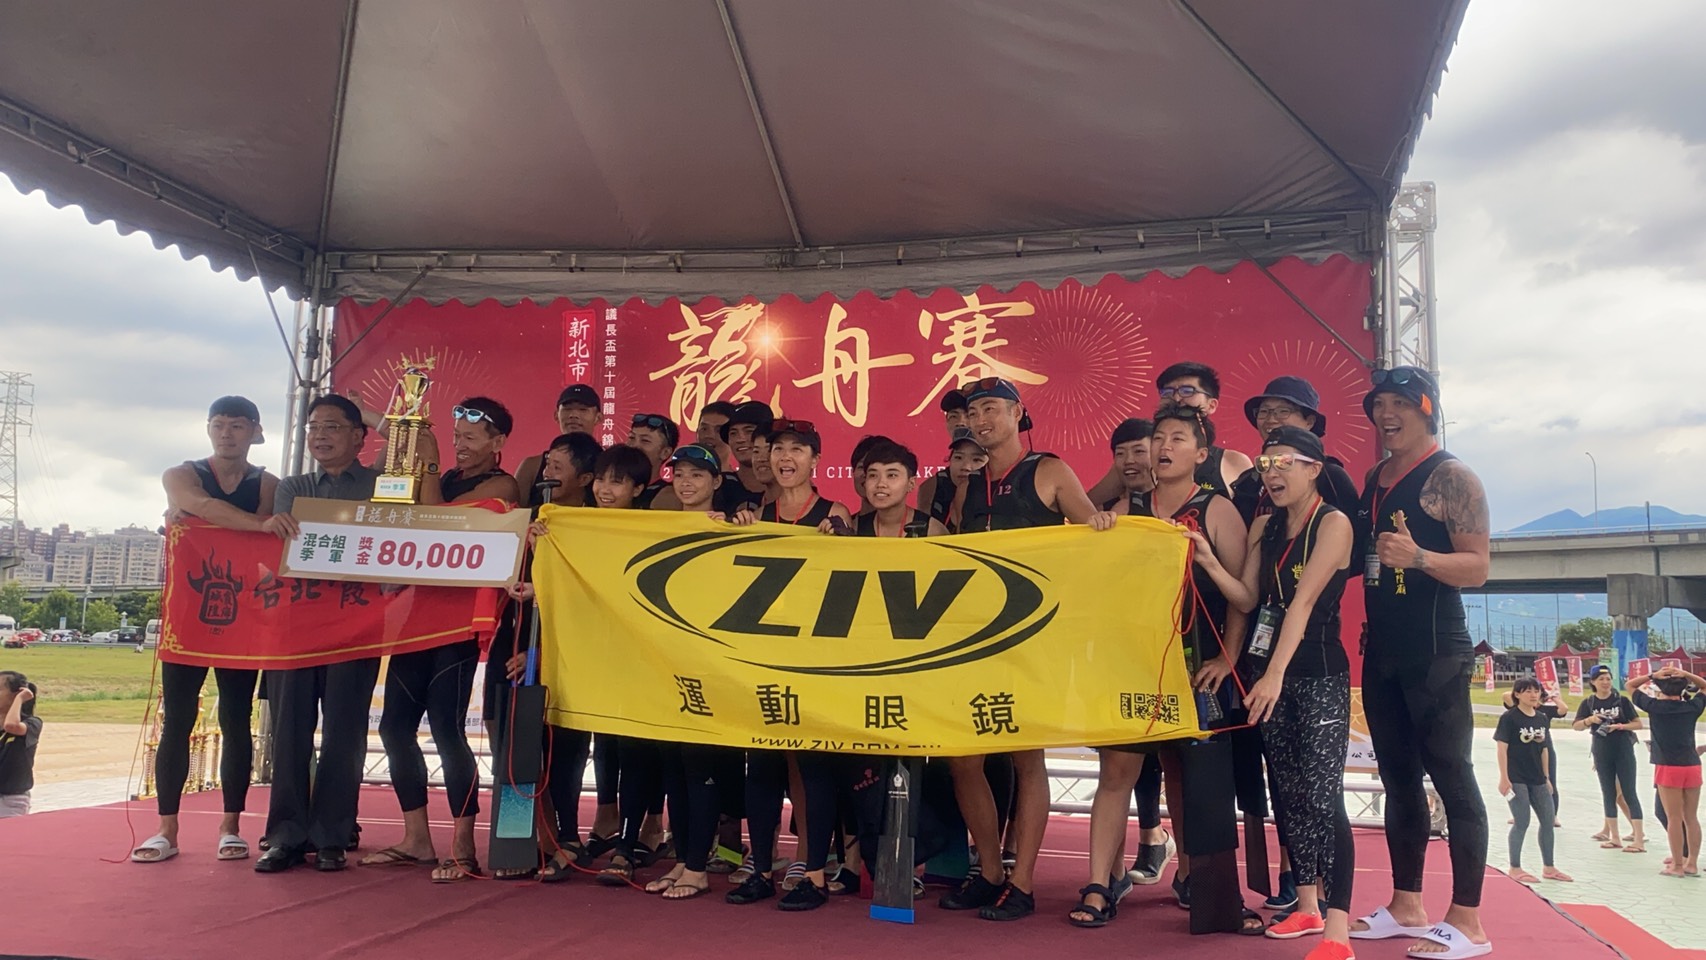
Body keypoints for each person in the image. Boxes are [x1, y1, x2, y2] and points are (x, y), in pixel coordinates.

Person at [946, 377, 1117, 922]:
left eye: (991, 409)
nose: (981, 420)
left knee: (1027, 757)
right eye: (974, 412)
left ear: (1018, 413)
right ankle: (990, 871)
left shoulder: (1049, 470)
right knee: (962, 758)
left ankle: (1022, 883)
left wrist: (1102, 526)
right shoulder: (967, 485)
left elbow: (1093, 536)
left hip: (1032, 638)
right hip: (974, 640)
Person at [1185, 425, 1357, 955]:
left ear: (1313, 469)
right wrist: (1208, 560)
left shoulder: (1333, 523)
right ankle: (1306, 906)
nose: (1271, 473)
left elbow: (1301, 604)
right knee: (1290, 794)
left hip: (1317, 673)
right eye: (1265, 464)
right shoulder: (1264, 525)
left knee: (1323, 797)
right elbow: (1247, 598)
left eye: (1284, 463)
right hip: (1268, 675)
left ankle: (1337, 929)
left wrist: (1275, 674)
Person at [1349, 366, 1493, 958]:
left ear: (1427, 409)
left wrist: (1420, 557)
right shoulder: (1376, 477)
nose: (1387, 415)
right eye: (1379, 404)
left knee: (1453, 775)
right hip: (1383, 650)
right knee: (1397, 777)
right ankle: (1406, 903)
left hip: (1437, 653)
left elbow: (1478, 567)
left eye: (1400, 404)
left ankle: (1468, 921)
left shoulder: (1453, 476)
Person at [1111, 403, 1257, 932]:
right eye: (1159, 438)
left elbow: (1243, 595)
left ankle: (1203, 876)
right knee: (1161, 765)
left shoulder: (1216, 508)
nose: (1165, 447)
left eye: (1178, 438)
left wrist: (1227, 657)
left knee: (1201, 772)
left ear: (1201, 453)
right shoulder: (1128, 507)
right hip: (1143, 660)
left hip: (1201, 661)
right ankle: (1127, 877)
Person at [362, 397, 518, 883]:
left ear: (497, 442)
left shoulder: (502, 486)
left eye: (470, 438)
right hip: (416, 619)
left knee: (448, 731)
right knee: (394, 729)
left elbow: (435, 523)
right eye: (455, 438)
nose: (460, 446)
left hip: (457, 625)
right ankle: (416, 838)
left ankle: (463, 845)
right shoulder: (444, 478)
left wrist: (428, 460)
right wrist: (373, 420)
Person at [134, 396, 277, 863]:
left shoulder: (268, 485)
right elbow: (201, 505)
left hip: (241, 616)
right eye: (218, 425)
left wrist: (256, 527)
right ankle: (166, 829)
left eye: (236, 426)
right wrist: (257, 525)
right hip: (189, 615)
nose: (226, 434)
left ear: (255, 432)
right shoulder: (182, 475)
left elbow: (266, 543)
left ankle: (230, 826)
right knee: (177, 720)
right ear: (208, 429)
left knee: (236, 720)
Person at [726, 419, 853, 908]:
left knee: (813, 764)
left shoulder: (833, 513)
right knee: (761, 762)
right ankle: (761, 867)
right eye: (778, 449)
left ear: (815, 460)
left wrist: (839, 540)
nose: (785, 458)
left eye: (797, 450)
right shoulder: (756, 514)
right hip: (763, 658)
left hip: (815, 660)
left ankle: (814, 873)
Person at [255, 395, 381, 874]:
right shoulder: (293, 487)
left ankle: (333, 835)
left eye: (332, 426)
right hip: (296, 628)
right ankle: (284, 836)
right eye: (313, 427)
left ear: (359, 436)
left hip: (356, 628)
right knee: (288, 732)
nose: (320, 435)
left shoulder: (379, 485)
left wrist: (368, 412)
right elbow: (293, 549)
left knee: (345, 734)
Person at [488, 430, 602, 881]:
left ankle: (567, 838)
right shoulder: (526, 518)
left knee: (562, 750)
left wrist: (538, 652)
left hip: (562, 650)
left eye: (558, 467)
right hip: (512, 639)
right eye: (546, 464)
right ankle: (522, 838)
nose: (546, 473)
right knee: (513, 746)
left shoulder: (595, 526)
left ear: (586, 478)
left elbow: (591, 597)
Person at [639, 443, 731, 900]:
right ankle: (682, 860)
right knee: (673, 767)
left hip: (709, 665)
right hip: (664, 661)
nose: (687, 482)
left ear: (717, 481)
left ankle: (698, 866)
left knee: (700, 766)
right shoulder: (656, 528)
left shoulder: (732, 529)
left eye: (697, 474)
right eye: (680, 475)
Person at [585, 445, 673, 883]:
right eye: (601, 479)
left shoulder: (651, 529)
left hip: (642, 656)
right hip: (596, 653)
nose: (605, 489)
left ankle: (627, 845)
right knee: (606, 744)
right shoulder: (576, 527)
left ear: (639, 489)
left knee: (636, 748)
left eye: (617, 482)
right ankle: (609, 831)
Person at [1230, 377, 1359, 524]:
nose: (1271, 419)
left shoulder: (1332, 476)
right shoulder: (1249, 480)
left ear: (1309, 421)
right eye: (1264, 411)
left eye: (1283, 411)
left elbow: (1356, 532)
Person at [1627, 666, 1704, 877]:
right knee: (1691, 817)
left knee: (1674, 818)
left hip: (1668, 766)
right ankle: (1692, 863)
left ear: (1660, 688)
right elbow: (1705, 687)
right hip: (1692, 765)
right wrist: (1687, 674)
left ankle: (1677, 865)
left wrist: (1652, 675)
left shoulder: (1655, 707)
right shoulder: (1691, 707)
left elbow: (1630, 685)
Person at [1495, 679, 1571, 885]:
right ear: (1517, 694)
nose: (1533, 695)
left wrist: (1547, 778)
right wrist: (1504, 777)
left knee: (1548, 820)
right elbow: (1502, 748)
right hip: (1516, 778)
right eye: (1527, 691)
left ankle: (1549, 867)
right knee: (1522, 821)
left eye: (1536, 691)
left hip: (1537, 778)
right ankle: (1515, 867)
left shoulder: (1541, 718)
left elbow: (1544, 749)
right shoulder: (1509, 718)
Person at [1573, 664, 1646, 853]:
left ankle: (1639, 838)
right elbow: (1576, 726)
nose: (1605, 682)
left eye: (1608, 679)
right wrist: (1590, 720)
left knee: (1629, 792)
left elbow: (1638, 724)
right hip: (1601, 750)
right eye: (1601, 679)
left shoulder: (1622, 701)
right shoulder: (1588, 703)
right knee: (1608, 793)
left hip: (1623, 749)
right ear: (1593, 682)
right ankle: (1614, 837)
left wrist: (1620, 726)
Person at [514, 383, 602, 497]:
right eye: (567, 409)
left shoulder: (607, 465)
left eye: (583, 409)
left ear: (598, 417)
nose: (573, 415)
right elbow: (514, 507)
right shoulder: (532, 467)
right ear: (556, 415)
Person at [855, 440, 948, 538]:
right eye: (873, 475)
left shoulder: (933, 531)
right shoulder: (855, 528)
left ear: (911, 483)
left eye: (891, 475)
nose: (880, 484)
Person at [711, 400, 775, 517]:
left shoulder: (790, 485)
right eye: (733, 433)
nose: (740, 439)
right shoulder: (716, 485)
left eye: (749, 431)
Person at [914, 389, 969, 521]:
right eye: (954, 416)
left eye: (969, 415)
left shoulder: (1002, 477)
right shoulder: (931, 487)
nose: (960, 422)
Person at [0, 671, 39, 819]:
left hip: (11, 801)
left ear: (16, 694)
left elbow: (11, 726)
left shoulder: (32, 723)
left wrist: (20, 699)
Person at [626, 413, 680, 509]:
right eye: (632, 438)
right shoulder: (608, 489)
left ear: (665, 453)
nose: (635, 446)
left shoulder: (668, 495)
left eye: (645, 440)